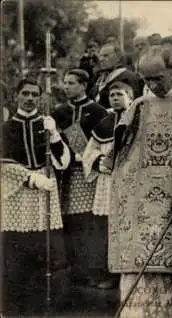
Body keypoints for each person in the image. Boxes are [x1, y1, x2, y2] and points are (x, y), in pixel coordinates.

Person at [107, 45, 172, 317]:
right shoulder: (138, 106)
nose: (152, 85)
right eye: (146, 79)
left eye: (157, 78)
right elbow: (119, 155)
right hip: (139, 203)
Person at [1, 78, 70, 314]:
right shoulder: (6, 127)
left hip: (45, 189)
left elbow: (63, 162)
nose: (30, 98)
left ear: (40, 98)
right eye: (26, 94)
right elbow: (3, 163)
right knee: (16, 249)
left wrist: (54, 136)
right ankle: (14, 307)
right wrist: (30, 178)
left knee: (44, 247)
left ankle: (41, 305)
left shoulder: (47, 123)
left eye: (35, 94)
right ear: (17, 96)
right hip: (16, 191)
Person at [52, 69, 109, 287]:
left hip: (90, 174)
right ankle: (76, 271)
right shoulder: (60, 112)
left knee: (90, 224)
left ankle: (95, 271)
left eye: (71, 83)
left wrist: (86, 156)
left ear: (83, 85)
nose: (66, 86)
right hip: (67, 175)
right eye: (65, 82)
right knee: (71, 224)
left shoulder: (98, 111)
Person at [81, 81, 135, 290]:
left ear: (130, 97)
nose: (114, 98)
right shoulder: (104, 122)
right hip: (107, 181)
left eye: (119, 94)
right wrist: (98, 162)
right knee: (106, 227)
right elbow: (90, 152)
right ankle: (109, 274)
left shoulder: (138, 119)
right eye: (111, 95)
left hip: (130, 180)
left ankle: (129, 271)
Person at [90, 43, 144, 108]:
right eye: (100, 56)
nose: (101, 59)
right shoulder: (100, 77)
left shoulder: (128, 77)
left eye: (106, 56)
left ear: (118, 58)